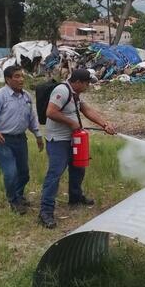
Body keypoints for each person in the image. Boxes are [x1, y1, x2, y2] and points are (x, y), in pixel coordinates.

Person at [39, 68, 116, 229]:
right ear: (79, 82)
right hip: (58, 141)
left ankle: (75, 197)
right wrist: (71, 123)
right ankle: (45, 212)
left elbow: (86, 110)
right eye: (87, 83)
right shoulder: (61, 90)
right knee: (55, 174)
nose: (88, 86)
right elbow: (50, 112)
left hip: (73, 139)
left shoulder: (75, 94)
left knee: (78, 169)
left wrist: (104, 124)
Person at [0, 65, 44, 215]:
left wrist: (38, 135)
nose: (21, 79)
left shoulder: (26, 97)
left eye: (22, 76)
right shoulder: (0, 96)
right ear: (7, 79)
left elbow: (31, 118)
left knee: (24, 173)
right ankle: (13, 201)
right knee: (11, 173)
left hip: (20, 140)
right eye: (17, 76)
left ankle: (18, 195)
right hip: (3, 140)